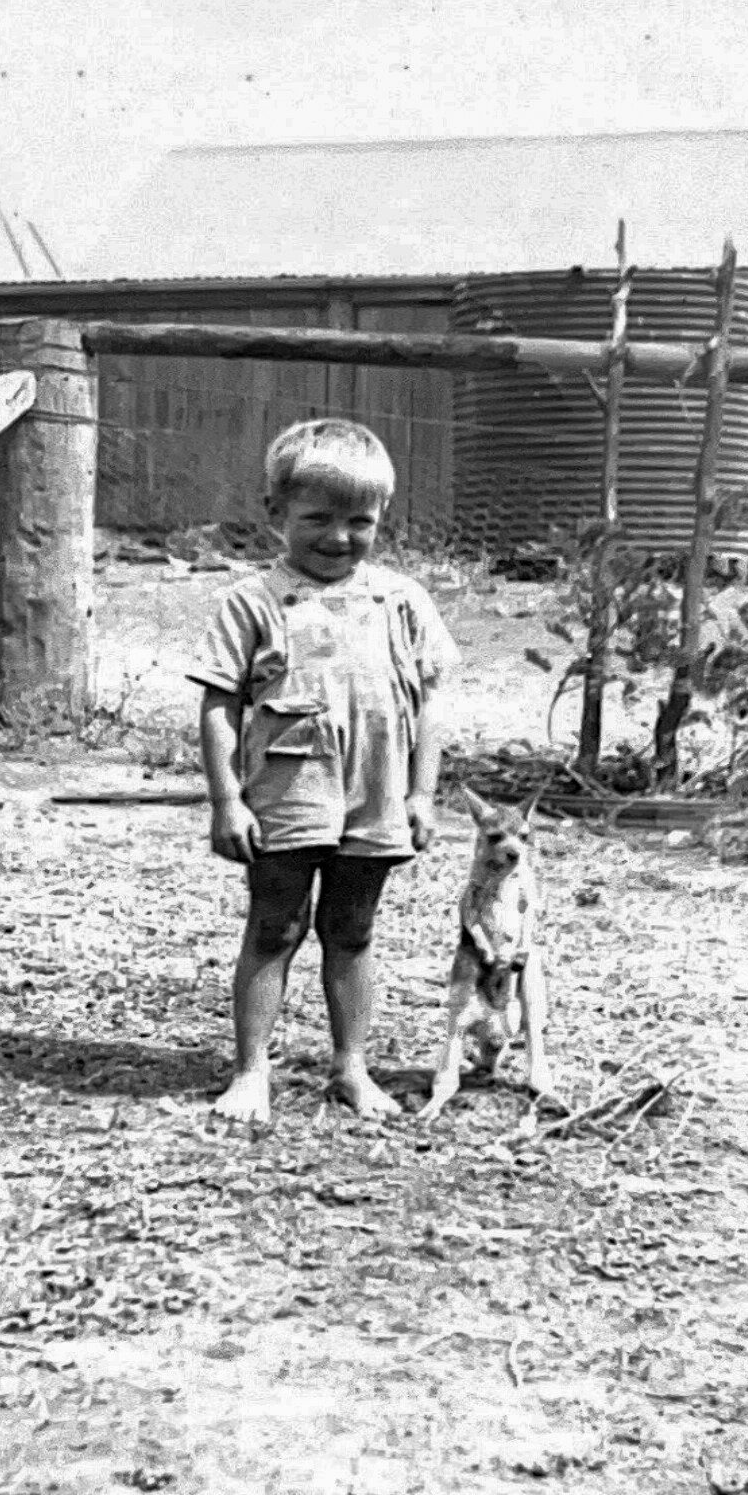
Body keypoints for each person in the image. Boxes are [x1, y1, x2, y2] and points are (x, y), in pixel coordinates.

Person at [187, 419, 459, 1125]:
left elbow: (430, 704)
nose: (338, 537)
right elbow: (220, 704)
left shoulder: (402, 601)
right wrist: (226, 801)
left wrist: (423, 793)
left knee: (353, 927)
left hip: (376, 789)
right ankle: (251, 1070)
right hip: (289, 787)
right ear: (276, 512)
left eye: (358, 522)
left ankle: (351, 1066)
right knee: (276, 924)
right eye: (318, 519)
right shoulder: (252, 600)